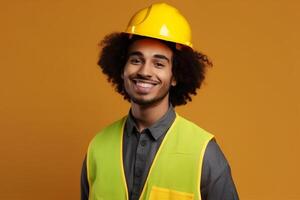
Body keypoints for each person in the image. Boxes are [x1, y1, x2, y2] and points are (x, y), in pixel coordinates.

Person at [81, 3, 239, 200]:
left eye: (159, 63)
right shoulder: (98, 147)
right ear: (122, 69)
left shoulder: (204, 153)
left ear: (175, 76)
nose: (145, 71)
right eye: (136, 60)